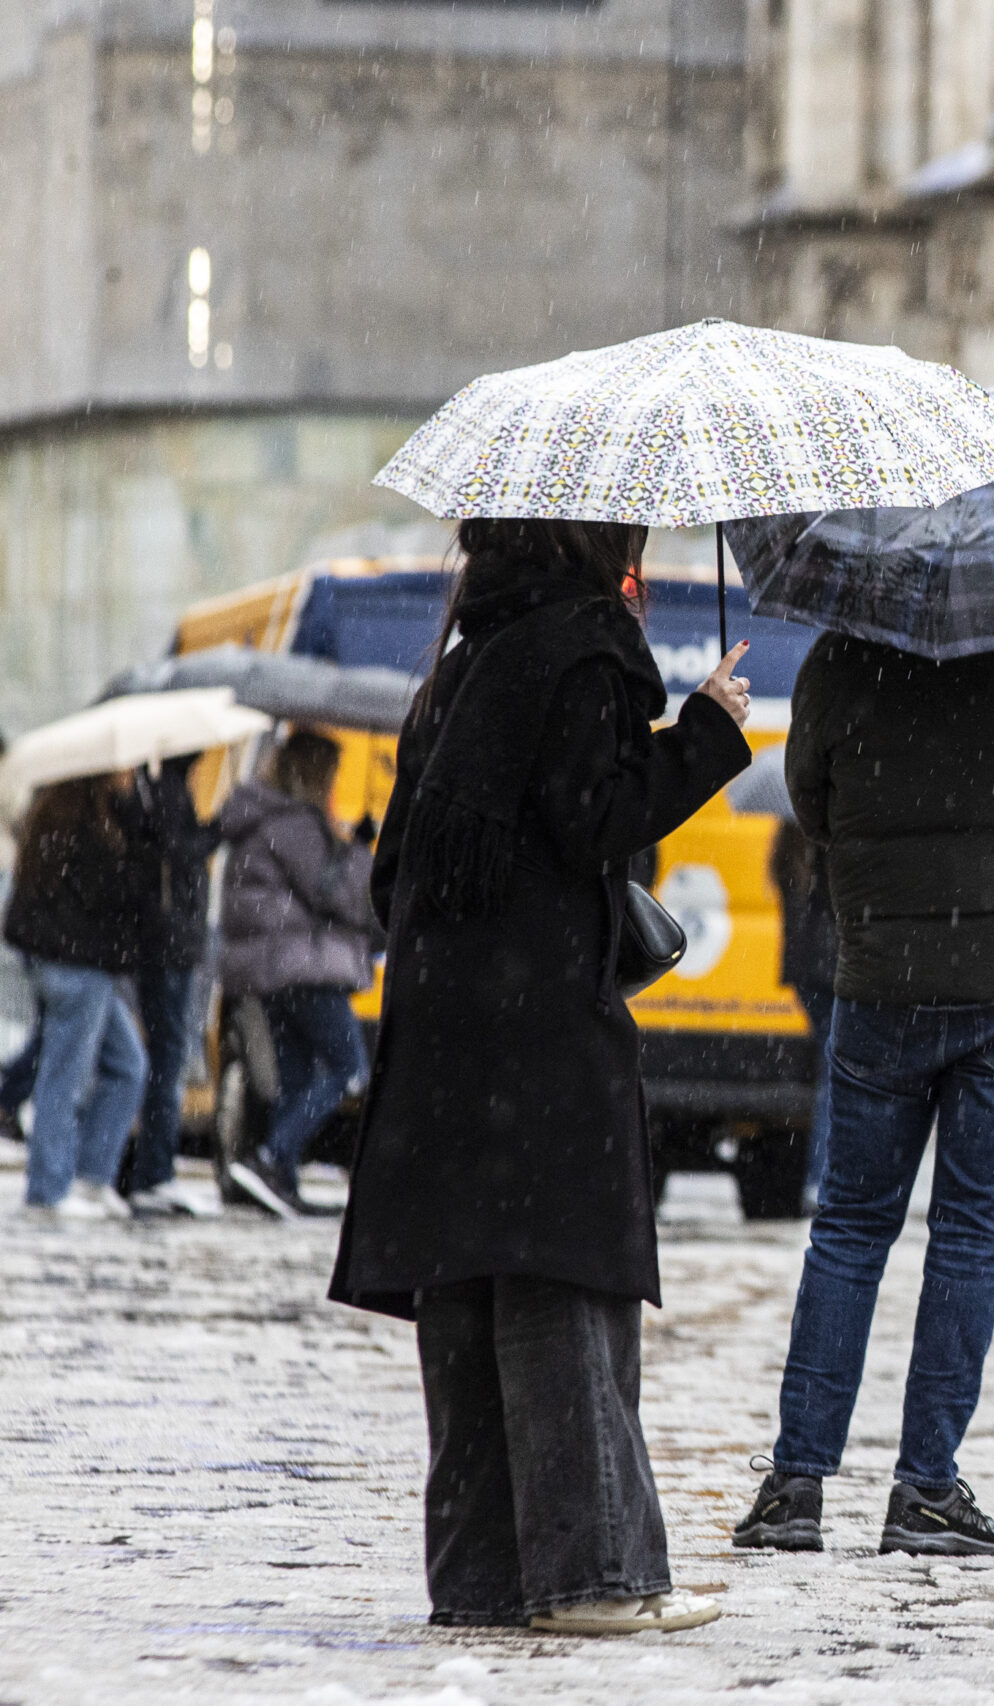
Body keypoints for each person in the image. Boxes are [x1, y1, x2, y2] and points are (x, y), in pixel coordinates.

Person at [329, 517, 753, 1636]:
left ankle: (482, 1577)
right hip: (542, 1036)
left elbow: (392, 877)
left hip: (441, 1034)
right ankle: (592, 1574)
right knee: (564, 1284)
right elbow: (596, 817)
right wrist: (703, 731)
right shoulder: (588, 646)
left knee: (467, 1293)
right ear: (591, 540)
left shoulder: (457, 669)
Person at [730, 630, 994, 1560]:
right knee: (969, 1237)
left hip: (886, 976)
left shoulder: (844, 654)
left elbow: (811, 802)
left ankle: (796, 1485)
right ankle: (925, 1487)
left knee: (848, 1230)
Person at [216, 730, 376, 1218]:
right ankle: (270, 1158)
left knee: (298, 1075)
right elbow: (339, 894)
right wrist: (365, 850)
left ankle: (279, 1180)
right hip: (304, 969)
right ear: (313, 774)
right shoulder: (295, 824)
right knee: (350, 1070)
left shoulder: (259, 817)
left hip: (267, 972)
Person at [5, 774, 151, 1220]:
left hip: (64, 962)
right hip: (80, 966)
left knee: (126, 1066)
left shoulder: (49, 820)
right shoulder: (86, 829)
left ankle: (90, 1178)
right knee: (63, 1078)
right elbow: (116, 895)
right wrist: (135, 830)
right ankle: (48, 1189)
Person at [122, 754, 223, 1217]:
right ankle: (154, 1173)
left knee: (162, 1056)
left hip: (167, 944)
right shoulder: (165, 791)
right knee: (166, 1058)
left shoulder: (159, 789)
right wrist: (215, 830)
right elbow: (178, 851)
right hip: (169, 946)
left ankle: (151, 1170)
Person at [768, 816, 836, 1216]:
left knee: (831, 1067)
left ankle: (820, 1178)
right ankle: (821, 1179)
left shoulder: (786, 846)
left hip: (804, 971)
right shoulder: (828, 847)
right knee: (836, 1072)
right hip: (832, 969)